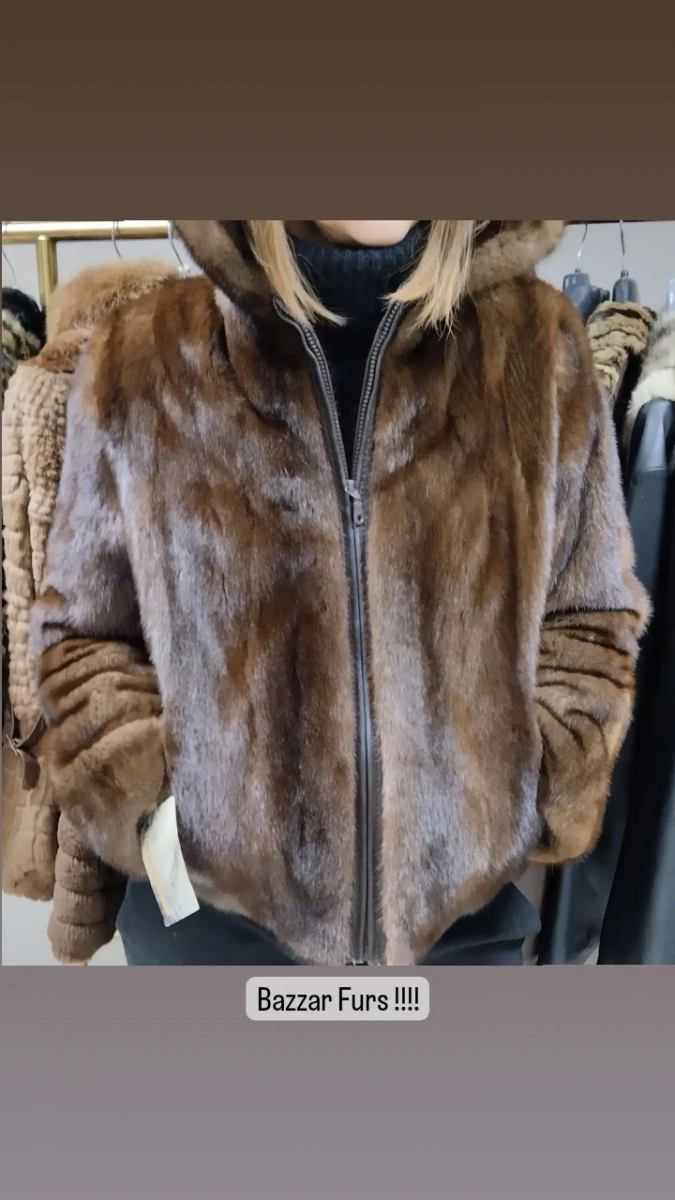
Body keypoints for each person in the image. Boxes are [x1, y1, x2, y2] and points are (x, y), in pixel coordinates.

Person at [30, 220, 649, 966]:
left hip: (459, 934)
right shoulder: (143, 356)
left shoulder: (536, 350)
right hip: (209, 931)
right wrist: (153, 807)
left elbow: (586, 617)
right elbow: (85, 635)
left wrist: (535, 786)